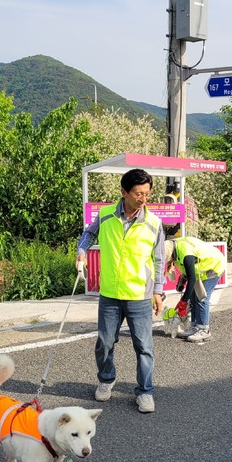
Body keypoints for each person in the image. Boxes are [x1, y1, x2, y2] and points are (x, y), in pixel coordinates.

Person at [76, 168, 166, 414]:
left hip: (139, 294)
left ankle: (145, 392)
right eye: (138, 193)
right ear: (124, 192)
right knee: (104, 343)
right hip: (110, 294)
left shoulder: (153, 223)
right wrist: (82, 251)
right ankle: (106, 380)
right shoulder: (105, 215)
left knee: (144, 346)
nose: (143, 199)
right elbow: (88, 234)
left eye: (147, 194)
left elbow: (159, 261)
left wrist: (158, 291)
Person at [165, 236, 226, 343]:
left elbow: (192, 279)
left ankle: (204, 331)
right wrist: (183, 280)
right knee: (193, 299)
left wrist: (183, 301)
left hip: (213, 266)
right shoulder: (174, 247)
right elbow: (188, 269)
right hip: (202, 269)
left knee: (201, 298)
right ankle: (195, 327)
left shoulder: (185, 254)